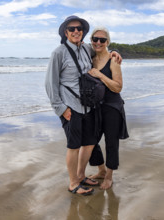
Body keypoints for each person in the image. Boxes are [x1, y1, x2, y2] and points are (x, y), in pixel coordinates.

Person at [45, 16, 122, 195]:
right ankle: (73, 183)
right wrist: (60, 108)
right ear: (66, 33)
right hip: (70, 108)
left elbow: (102, 48)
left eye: (79, 28)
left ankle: (80, 176)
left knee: (89, 143)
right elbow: (50, 83)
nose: (75, 31)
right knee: (74, 146)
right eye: (71, 29)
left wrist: (116, 51)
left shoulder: (87, 49)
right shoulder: (59, 53)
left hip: (88, 106)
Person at [88, 26, 129, 190]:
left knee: (111, 142)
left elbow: (118, 87)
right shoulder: (90, 58)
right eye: (95, 39)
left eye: (102, 40)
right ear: (91, 41)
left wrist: (100, 75)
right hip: (95, 107)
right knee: (90, 140)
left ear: (108, 42)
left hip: (112, 106)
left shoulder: (113, 60)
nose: (98, 42)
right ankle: (101, 170)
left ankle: (109, 176)